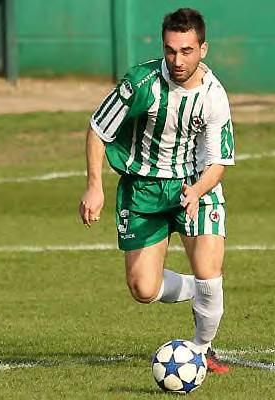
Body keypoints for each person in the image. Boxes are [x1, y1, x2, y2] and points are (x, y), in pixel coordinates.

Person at [78, 8, 234, 374]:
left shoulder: (214, 95)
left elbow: (219, 162)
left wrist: (196, 191)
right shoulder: (141, 83)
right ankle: (203, 292)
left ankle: (200, 350)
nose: (177, 60)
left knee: (210, 271)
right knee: (143, 288)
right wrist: (94, 186)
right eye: (170, 50)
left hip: (196, 185)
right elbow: (98, 129)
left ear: (203, 49)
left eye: (186, 51)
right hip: (143, 189)